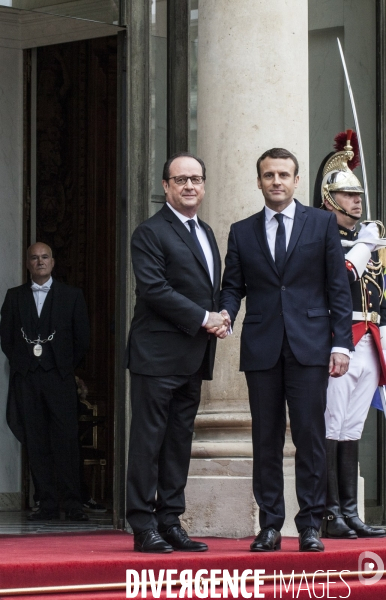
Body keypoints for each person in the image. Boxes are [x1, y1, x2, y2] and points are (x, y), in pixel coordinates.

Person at [220, 148, 353, 552]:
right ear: (258, 181)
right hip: (262, 347)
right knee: (266, 438)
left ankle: (310, 523)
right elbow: (232, 286)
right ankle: (270, 524)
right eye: (268, 175)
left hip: (310, 347)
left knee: (310, 437)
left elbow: (337, 289)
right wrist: (225, 313)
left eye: (283, 174)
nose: (276, 181)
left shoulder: (322, 224)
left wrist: (341, 343)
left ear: (296, 181)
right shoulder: (242, 231)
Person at [126, 152, 226, 553]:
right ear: (165, 187)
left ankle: (170, 521)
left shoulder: (206, 232)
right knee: (148, 443)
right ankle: (142, 524)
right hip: (156, 356)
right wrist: (206, 317)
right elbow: (154, 289)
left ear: (203, 186)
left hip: (193, 357)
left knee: (179, 443)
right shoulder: (150, 232)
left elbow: (211, 291)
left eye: (196, 179)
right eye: (180, 179)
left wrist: (222, 317)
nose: (189, 186)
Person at [313, 130, 386, 539]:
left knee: (353, 427)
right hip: (337, 340)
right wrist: (363, 246)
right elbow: (339, 278)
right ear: (329, 197)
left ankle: (350, 512)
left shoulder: (367, 240)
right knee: (331, 423)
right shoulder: (324, 240)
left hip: (370, 344)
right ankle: (329, 514)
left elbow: (382, 299)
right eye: (348, 194)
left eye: (359, 195)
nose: (357, 201)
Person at [0, 242, 90, 521]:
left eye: (45, 257)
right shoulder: (14, 297)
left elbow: (82, 338)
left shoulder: (72, 295)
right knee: (36, 441)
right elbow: (7, 338)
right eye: (34, 258)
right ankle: (47, 503)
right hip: (28, 379)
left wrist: (64, 366)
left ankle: (73, 504)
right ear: (28, 264)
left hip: (60, 379)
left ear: (53, 262)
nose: (40, 262)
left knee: (66, 441)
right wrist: (24, 364)